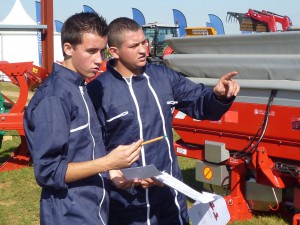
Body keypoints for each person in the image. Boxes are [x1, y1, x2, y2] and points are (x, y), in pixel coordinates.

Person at [87, 17, 240, 225]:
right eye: (134, 46)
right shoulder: (99, 90)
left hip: (169, 196)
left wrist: (218, 96)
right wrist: (111, 173)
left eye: (143, 42)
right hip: (125, 203)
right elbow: (90, 145)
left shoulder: (163, 77)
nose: (143, 50)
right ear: (114, 51)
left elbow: (199, 102)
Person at [23, 13, 143, 225]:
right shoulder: (55, 98)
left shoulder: (80, 86)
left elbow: (83, 151)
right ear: (68, 48)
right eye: (91, 51)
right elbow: (48, 172)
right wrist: (107, 162)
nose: (99, 60)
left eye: (102, 51)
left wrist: (113, 171)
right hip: (69, 214)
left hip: (93, 209)